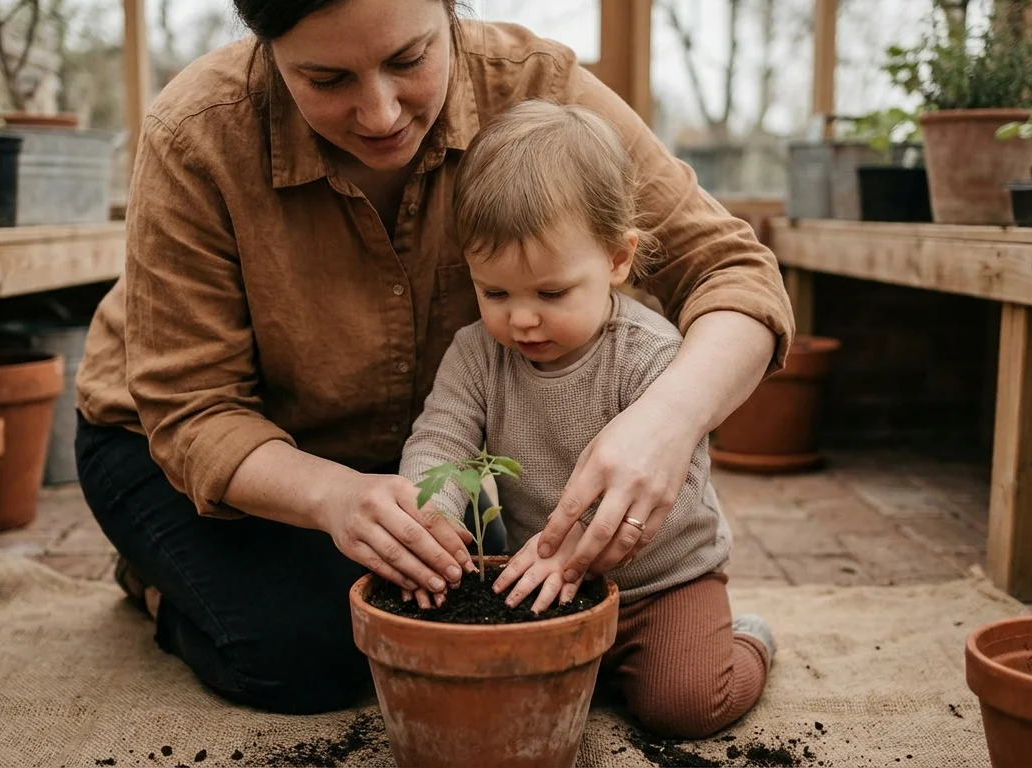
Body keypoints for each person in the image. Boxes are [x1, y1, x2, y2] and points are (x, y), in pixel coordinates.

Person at [74, 0, 794, 717]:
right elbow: (193, 410)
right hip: (176, 451)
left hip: (386, 468)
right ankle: (159, 582)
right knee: (303, 658)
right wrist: (331, 497)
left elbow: (731, 269)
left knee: (412, 612)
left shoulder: (538, 89)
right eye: (326, 80)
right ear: (266, 50)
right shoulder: (198, 131)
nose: (380, 114)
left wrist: (667, 421)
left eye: (409, 60)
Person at [398, 99, 773, 739]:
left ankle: (751, 643)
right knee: (494, 702)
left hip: (660, 584)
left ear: (617, 259)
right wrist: (430, 515)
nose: (521, 319)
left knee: (682, 706)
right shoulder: (477, 355)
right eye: (495, 293)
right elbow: (443, 441)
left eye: (550, 293)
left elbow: (668, 495)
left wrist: (572, 556)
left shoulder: (651, 356)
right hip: (539, 581)